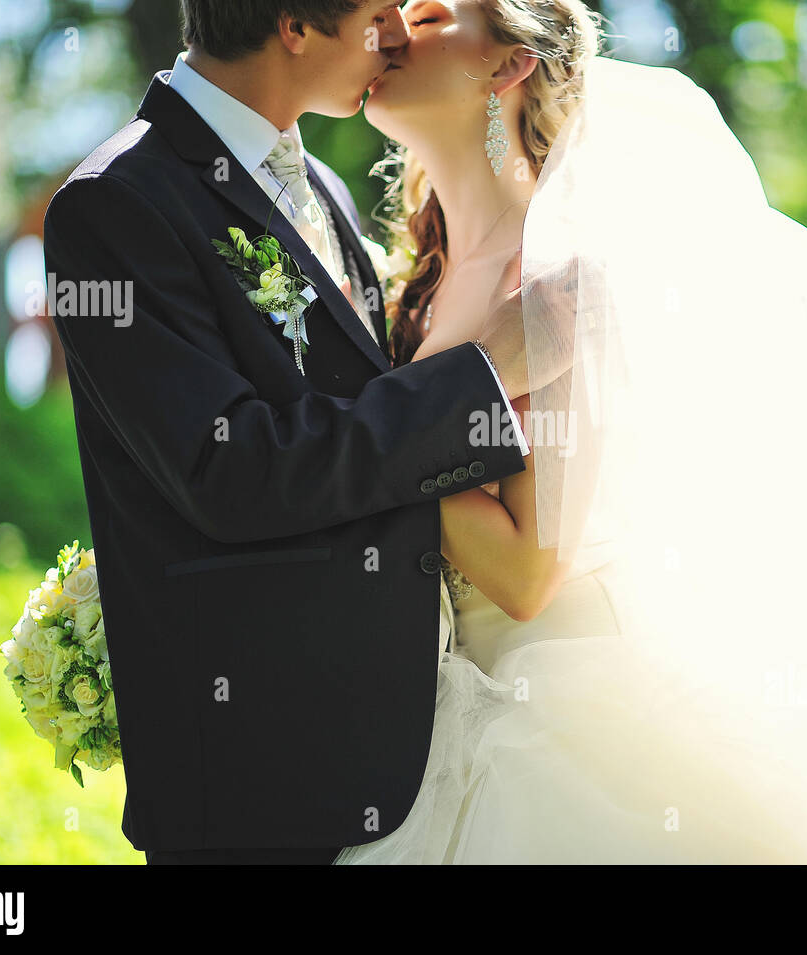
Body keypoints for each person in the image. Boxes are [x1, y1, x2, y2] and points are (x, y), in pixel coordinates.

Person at [333, 0, 807, 863]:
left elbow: (530, 570)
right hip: (433, 695)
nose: (388, 29)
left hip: (559, 705)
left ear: (509, 66)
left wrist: (373, 444)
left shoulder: (559, 278)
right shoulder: (412, 281)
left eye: (426, 15)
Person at [42, 0, 533, 865]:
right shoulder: (117, 204)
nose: (396, 36)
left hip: (383, 749)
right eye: (380, 13)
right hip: (253, 772)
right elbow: (233, 467)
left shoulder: (329, 190)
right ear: (294, 26)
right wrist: (484, 376)